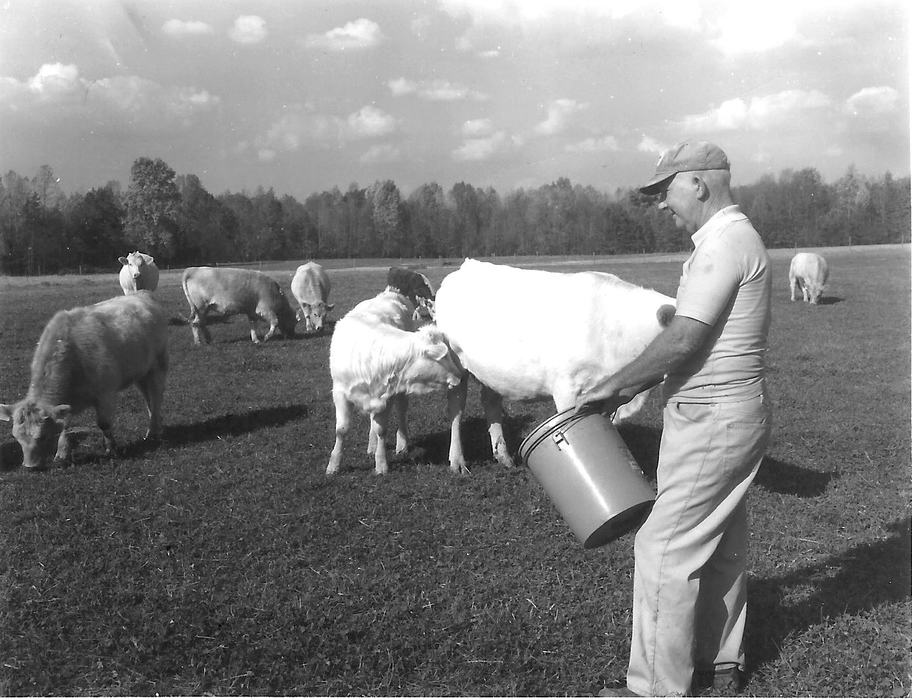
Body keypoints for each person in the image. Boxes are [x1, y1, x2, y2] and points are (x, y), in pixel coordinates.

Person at [576, 141, 772, 697]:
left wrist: (612, 387)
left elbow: (685, 338)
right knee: (720, 540)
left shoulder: (723, 244)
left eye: (666, 190)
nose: (662, 203)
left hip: (713, 418)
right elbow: (694, 339)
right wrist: (633, 385)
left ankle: (655, 689)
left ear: (698, 184)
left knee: (662, 547)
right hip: (736, 412)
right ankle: (719, 662)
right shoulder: (735, 238)